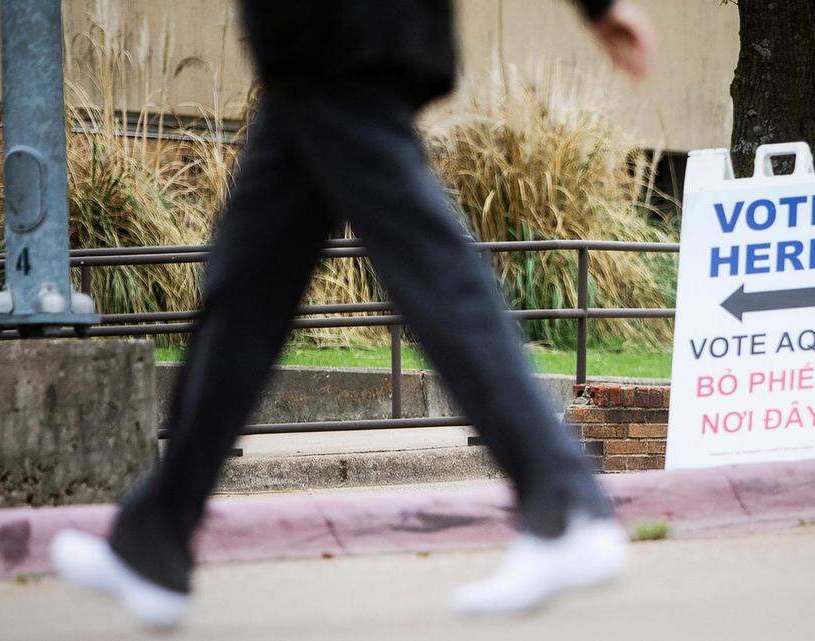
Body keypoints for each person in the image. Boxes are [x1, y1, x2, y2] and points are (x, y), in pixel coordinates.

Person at [51, 0, 657, 628]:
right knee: (245, 295)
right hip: (318, 45)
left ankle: (565, 499)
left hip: (338, 35)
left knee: (427, 266)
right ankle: (154, 541)